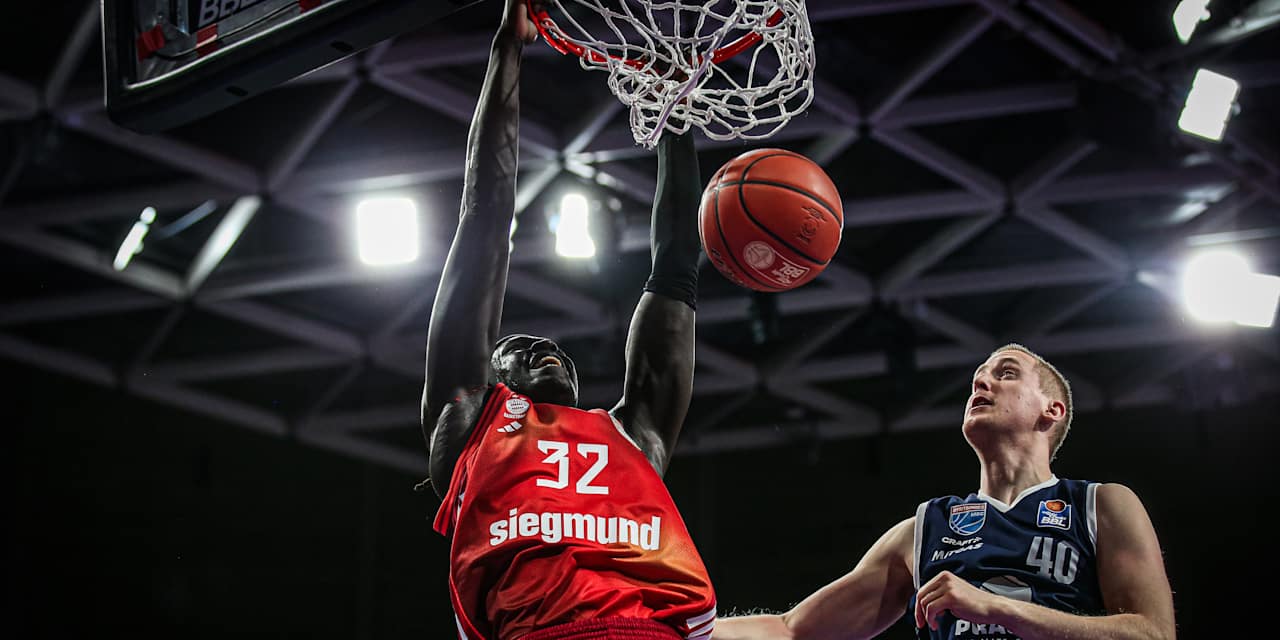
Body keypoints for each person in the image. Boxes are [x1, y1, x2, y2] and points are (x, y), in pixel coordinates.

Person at [420, 1, 715, 639]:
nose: (543, 348)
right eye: (518, 348)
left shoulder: (633, 435)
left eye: (547, 346)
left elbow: (676, 270)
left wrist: (674, 112)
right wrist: (506, 50)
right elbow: (484, 220)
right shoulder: (470, 420)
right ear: (489, 376)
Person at [713, 344, 1176, 640]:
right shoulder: (923, 530)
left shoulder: (1100, 504)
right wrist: (687, 628)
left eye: (1006, 373)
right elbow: (793, 631)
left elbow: (1153, 635)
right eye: (979, 376)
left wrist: (998, 608)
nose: (981, 382)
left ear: (1051, 410)